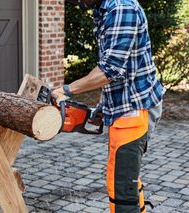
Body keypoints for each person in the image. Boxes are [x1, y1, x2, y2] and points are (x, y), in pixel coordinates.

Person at [53, 0, 165, 212]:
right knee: (127, 177)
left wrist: (66, 90)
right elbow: (119, 68)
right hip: (125, 105)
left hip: (135, 107)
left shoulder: (121, 8)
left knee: (122, 185)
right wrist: (103, 107)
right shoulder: (105, 9)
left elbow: (111, 69)